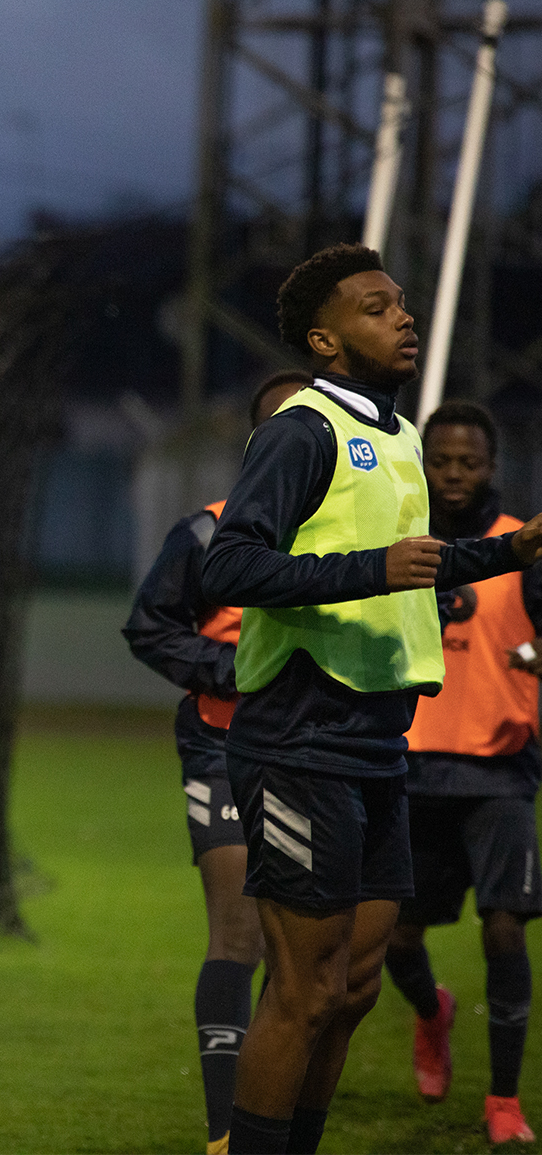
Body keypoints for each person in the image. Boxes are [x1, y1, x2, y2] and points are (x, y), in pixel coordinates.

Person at [200, 242, 542, 1155]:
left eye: (403, 304)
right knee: (302, 992)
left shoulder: (394, 437)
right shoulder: (300, 430)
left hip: (379, 738)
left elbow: (415, 572)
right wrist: (370, 569)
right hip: (300, 737)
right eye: (377, 307)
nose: (405, 317)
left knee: (351, 990)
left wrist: (515, 549)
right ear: (327, 339)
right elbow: (228, 564)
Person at [123, 368, 311, 1155]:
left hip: (319, 756)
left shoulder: (360, 538)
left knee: (307, 953)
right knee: (236, 932)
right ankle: (224, 1133)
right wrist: (235, 669)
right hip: (223, 746)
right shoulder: (207, 532)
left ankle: (278, 1114)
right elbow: (150, 627)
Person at [382, 399, 542, 1145]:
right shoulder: (397, 546)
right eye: (439, 460)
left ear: (491, 469)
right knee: (396, 941)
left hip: (500, 773)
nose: (452, 474)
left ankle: (503, 1101)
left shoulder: (525, 548)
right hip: (409, 769)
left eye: (467, 462)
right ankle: (431, 1013)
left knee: (505, 931)